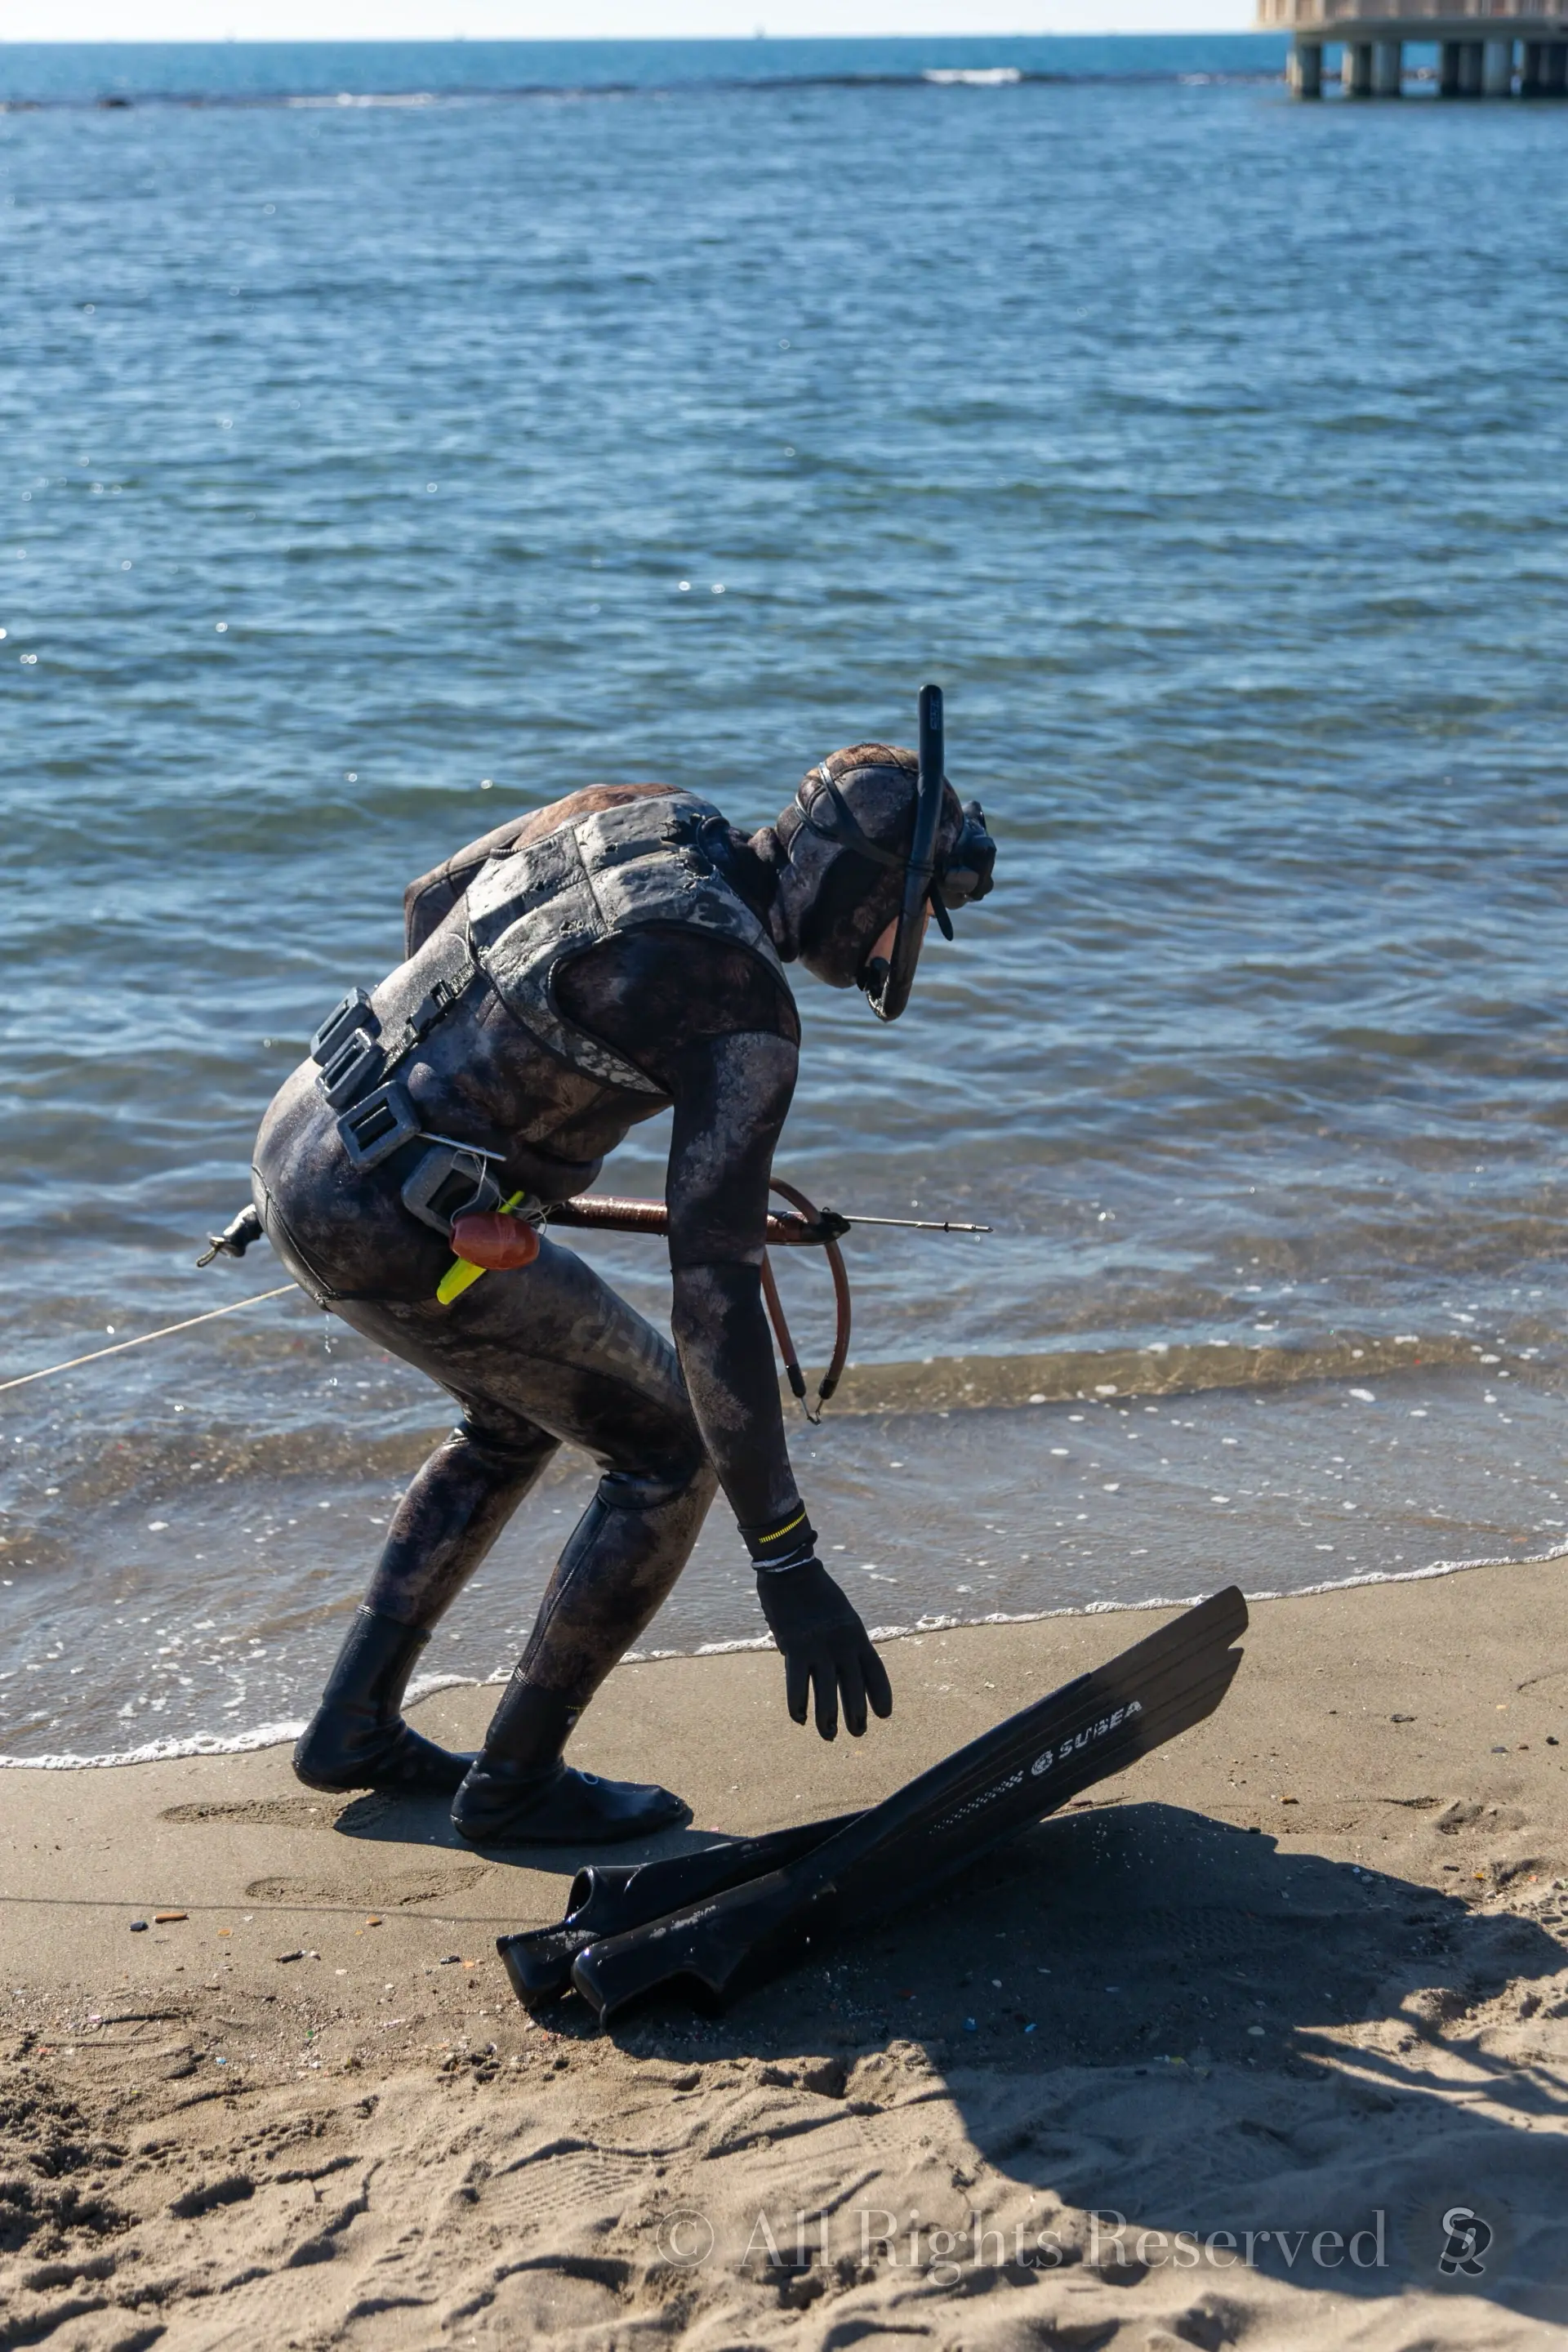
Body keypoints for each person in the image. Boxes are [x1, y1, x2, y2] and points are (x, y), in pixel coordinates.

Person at [245, 727, 996, 1844]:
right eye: (918, 907)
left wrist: (467, 1138)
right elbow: (716, 1299)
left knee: (513, 1416)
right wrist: (785, 1556)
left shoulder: (640, 808)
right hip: (389, 1223)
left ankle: (354, 1723)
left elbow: (431, 899)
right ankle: (516, 1785)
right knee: (669, 1449)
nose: (914, 940)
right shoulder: (740, 999)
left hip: (303, 1133)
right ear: (863, 884)